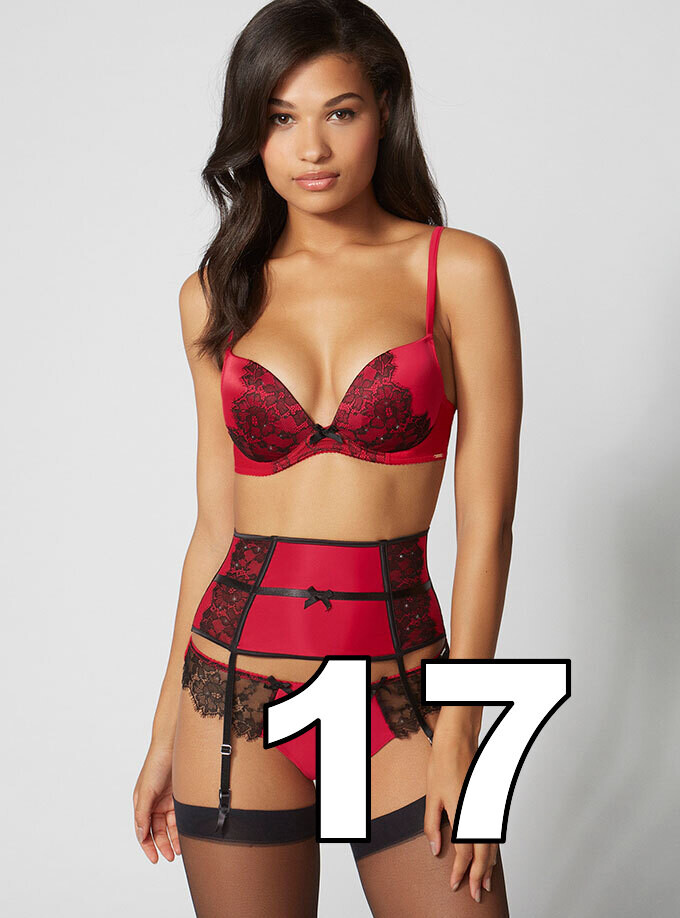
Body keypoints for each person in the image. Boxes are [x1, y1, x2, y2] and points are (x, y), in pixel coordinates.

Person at [133, 1, 520, 914]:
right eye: (280, 117)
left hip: (403, 693)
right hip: (230, 686)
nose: (311, 147)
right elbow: (215, 529)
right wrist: (162, 737)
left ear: (384, 111)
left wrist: (462, 732)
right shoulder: (214, 294)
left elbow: (489, 527)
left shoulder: (459, 271)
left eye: (339, 112)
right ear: (252, 133)